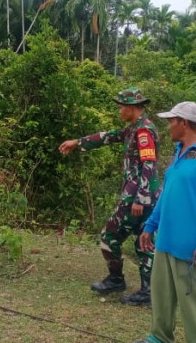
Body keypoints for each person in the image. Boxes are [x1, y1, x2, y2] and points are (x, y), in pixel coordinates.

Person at [130, 101, 196, 343]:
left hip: (191, 245)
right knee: (162, 293)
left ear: (184, 123)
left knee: (193, 298)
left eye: (172, 121)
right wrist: (150, 226)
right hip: (166, 240)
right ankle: (160, 336)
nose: (169, 126)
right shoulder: (178, 152)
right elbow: (166, 194)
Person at [58, 87, 161, 306]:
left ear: (133, 107)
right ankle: (148, 291)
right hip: (147, 197)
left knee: (109, 236)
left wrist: (140, 198)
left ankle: (116, 280)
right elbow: (108, 136)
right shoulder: (134, 128)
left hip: (136, 196)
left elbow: (149, 164)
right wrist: (78, 142)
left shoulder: (143, 131)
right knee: (144, 241)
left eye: (122, 106)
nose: (120, 110)